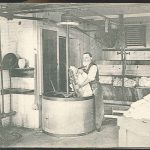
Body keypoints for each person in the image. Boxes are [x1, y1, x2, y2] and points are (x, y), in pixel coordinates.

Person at [76, 52, 104, 132]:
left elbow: (89, 79)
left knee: (97, 106)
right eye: (84, 57)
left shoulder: (93, 67)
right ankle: (89, 125)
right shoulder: (82, 67)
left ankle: (98, 126)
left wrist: (80, 85)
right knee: (87, 106)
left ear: (91, 58)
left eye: (87, 57)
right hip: (86, 88)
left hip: (95, 87)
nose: (85, 59)